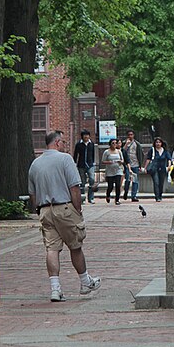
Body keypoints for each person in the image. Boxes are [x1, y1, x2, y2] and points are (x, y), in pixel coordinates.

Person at [28, 130, 101, 302]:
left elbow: (32, 194)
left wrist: (39, 209)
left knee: (52, 249)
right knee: (75, 246)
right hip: (64, 207)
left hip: (45, 210)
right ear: (57, 142)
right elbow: (74, 187)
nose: (65, 145)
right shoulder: (65, 159)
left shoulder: (35, 164)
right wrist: (78, 209)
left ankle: (55, 289)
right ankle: (85, 282)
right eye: (64, 142)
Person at [144, 137, 172, 202]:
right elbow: (148, 159)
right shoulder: (152, 150)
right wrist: (145, 167)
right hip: (154, 168)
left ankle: (160, 195)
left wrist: (169, 166)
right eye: (156, 142)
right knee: (156, 182)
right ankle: (157, 197)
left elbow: (169, 159)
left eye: (159, 142)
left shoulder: (165, 151)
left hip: (162, 168)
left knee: (161, 183)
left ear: (161, 143)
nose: (158, 144)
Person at [73, 129, 96, 204]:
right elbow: (76, 155)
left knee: (92, 180)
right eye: (84, 135)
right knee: (82, 182)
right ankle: (82, 198)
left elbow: (93, 154)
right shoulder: (79, 144)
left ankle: (91, 198)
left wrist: (93, 162)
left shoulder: (91, 144)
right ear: (82, 136)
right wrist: (74, 163)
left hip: (90, 165)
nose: (86, 136)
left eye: (87, 135)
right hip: (81, 165)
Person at [122, 130, 143, 202]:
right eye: (129, 135)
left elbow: (140, 154)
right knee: (127, 179)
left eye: (131, 134)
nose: (130, 136)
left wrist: (140, 164)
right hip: (127, 164)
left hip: (135, 164)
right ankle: (126, 191)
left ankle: (134, 196)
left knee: (135, 180)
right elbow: (122, 151)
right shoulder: (124, 143)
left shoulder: (137, 144)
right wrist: (126, 145)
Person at [101, 138, 124, 205]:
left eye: (115, 143)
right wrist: (109, 162)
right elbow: (103, 161)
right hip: (110, 171)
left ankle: (117, 199)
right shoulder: (106, 152)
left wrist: (120, 162)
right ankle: (108, 195)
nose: (114, 144)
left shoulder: (119, 151)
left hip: (118, 170)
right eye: (113, 143)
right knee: (110, 186)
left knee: (118, 185)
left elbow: (122, 160)